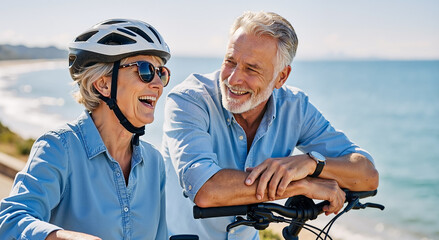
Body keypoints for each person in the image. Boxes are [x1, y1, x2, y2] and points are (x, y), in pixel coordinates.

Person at [162, 11, 379, 239]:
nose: (234, 79)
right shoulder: (188, 100)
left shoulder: (296, 108)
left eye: (251, 69)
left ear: (281, 77)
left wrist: (311, 164)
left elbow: (367, 175)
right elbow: (206, 190)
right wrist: (301, 184)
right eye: (230, 62)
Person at [0, 19, 171, 239]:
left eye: (161, 72)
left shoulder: (154, 163)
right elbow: (10, 220)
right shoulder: (59, 148)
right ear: (103, 84)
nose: (158, 84)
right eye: (146, 70)